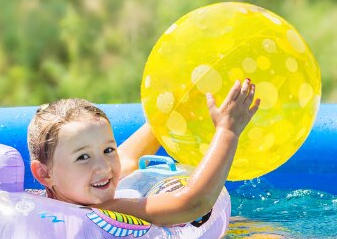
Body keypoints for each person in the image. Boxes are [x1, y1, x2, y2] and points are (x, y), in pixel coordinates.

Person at [27, 78, 260, 226]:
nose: (104, 167)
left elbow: (126, 158)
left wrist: (169, 116)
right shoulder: (101, 212)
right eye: (83, 157)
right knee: (263, 238)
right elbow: (193, 203)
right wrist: (228, 131)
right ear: (44, 174)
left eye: (108, 149)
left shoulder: (53, 199)